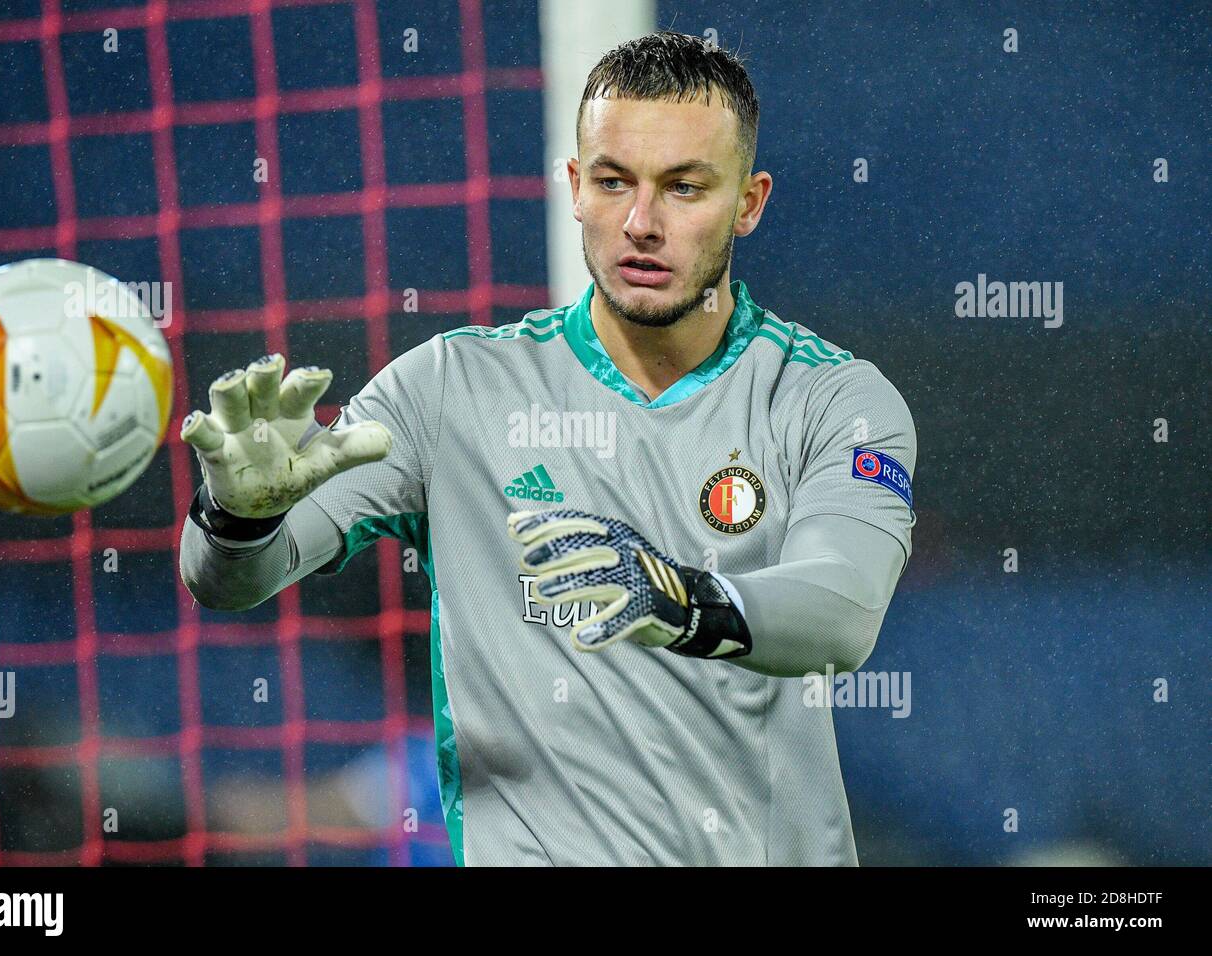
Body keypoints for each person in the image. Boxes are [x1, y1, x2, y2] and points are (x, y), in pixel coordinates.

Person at [179, 31, 917, 866]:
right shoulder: (449, 390)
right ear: (573, 186)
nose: (641, 223)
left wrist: (677, 599)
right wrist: (235, 516)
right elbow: (230, 582)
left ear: (749, 202)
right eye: (613, 182)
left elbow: (842, 610)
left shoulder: (831, 399)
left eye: (684, 188)